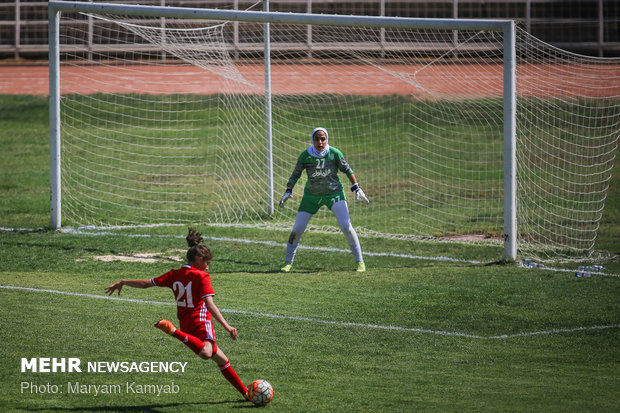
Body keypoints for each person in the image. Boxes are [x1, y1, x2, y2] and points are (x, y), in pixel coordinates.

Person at [104, 227, 248, 399]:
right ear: (200, 260)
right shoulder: (201, 277)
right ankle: (172, 330)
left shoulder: (175, 274)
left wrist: (124, 281)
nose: (208, 268)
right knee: (206, 353)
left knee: (222, 360)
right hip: (201, 323)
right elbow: (209, 305)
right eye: (207, 263)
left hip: (186, 324)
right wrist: (227, 326)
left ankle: (246, 393)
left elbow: (146, 283)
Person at [279, 127, 370, 272]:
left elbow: (348, 170)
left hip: (334, 194)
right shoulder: (305, 156)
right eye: (317, 139)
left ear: (327, 139)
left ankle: (360, 262)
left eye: (323, 139)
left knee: (346, 226)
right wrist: (288, 190)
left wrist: (356, 188)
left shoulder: (334, 153)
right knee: (297, 229)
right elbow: (295, 174)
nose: (320, 142)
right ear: (312, 140)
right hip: (311, 196)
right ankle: (288, 263)